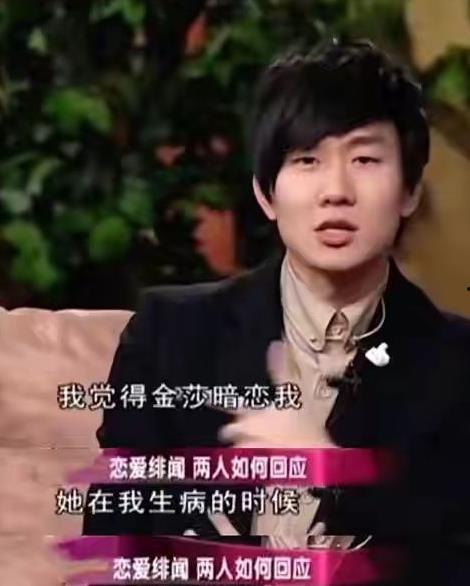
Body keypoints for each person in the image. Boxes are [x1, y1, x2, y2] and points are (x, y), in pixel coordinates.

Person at [83, 39, 470, 584]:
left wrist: (338, 479)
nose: (336, 191)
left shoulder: (456, 365)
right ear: (266, 194)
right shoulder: (170, 334)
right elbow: (115, 540)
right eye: (307, 160)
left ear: (408, 190)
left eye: (364, 159)